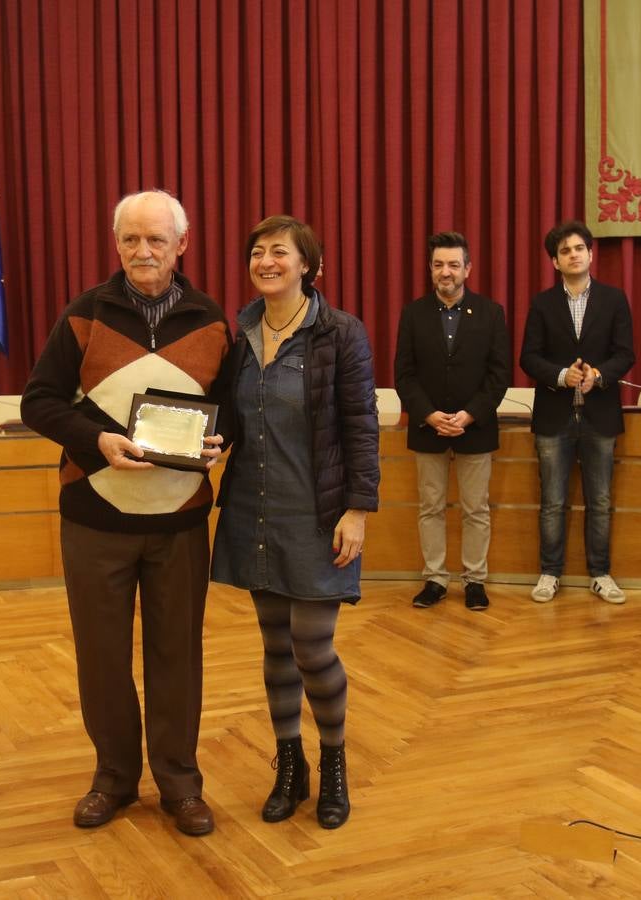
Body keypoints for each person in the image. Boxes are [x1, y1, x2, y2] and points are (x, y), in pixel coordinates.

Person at [20, 190, 230, 836]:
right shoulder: (84, 314)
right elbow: (39, 403)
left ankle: (179, 784)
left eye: (156, 241)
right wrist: (96, 441)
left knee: (178, 656)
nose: (143, 252)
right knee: (102, 656)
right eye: (131, 240)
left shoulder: (214, 323)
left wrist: (224, 444)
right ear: (117, 245)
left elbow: (233, 413)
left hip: (179, 524)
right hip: (94, 519)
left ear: (181, 246)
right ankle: (114, 777)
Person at [212, 215, 379, 830]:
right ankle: (290, 767)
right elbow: (234, 415)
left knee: (313, 649)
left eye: (279, 252)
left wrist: (358, 510)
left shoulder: (340, 333)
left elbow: (361, 426)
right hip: (256, 510)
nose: (266, 261)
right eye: (257, 252)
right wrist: (207, 441)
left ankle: (333, 767)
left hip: (319, 515)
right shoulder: (243, 330)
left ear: (308, 264)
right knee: (276, 649)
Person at [393, 231, 511, 611]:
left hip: (475, 427)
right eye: (439, 264)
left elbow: (499, 374)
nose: (446, 272)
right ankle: (435, 579)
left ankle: (475, 580)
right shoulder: (413, 313)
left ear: (468, 269)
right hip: (429, 427)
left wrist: (470, 413)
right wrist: (428, 414)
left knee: (476, 509)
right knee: (431, 508)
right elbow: (404, 374)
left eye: (454, 265)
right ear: (431, 269)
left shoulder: (491, 313)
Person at [519, 220, 636, 604]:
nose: (573, 255)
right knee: (553, 500)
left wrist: (598, 376)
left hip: (600, 415)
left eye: (579, 248)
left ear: (590, 253)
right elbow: (528, 357)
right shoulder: (542, 303)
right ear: (555, 261)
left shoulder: (614, 299)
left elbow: (626, 354)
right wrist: (560, 375)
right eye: (565, 250)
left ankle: (600, 572)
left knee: (599, 500)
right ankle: (549, 572)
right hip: (554, 416)